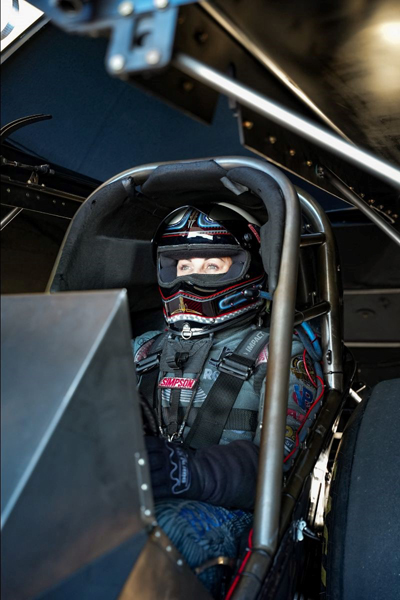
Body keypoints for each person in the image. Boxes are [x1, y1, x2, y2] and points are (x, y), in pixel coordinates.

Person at [133, 203, 323, 596]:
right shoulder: (141, 351)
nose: (191, 276)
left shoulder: (279, 352)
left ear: (245, 268)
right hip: (133, 495)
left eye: (211, 264)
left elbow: (279, 471)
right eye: (182, 266)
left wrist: (185, 472)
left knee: (157, 532)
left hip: (237, 515)